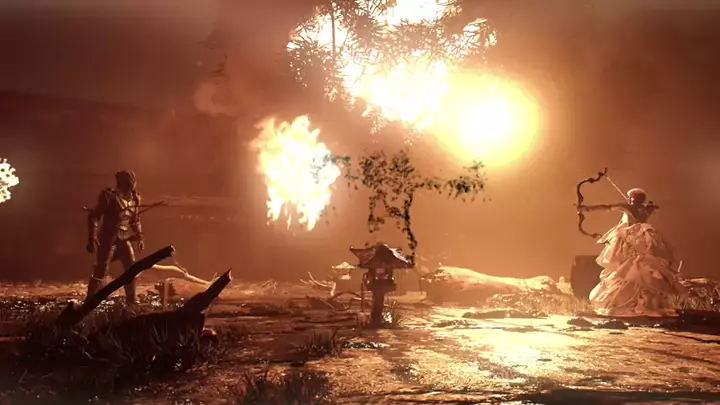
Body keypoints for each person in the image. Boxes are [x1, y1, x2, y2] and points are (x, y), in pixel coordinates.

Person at [578, 188, 685, 316]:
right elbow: (653, 207)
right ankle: (637, 301)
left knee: (631, 266)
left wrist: (585, 208)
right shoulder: (647, 209)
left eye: (631, 197)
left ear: (634, 198)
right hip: (642, 238)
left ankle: (634, 302)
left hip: (632, 238)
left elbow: (606, 206)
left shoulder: (629, 207)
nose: (629, 199)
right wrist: (651, 206)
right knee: (635, 266)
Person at [85, 170, 144, 304]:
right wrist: (92, 237)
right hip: (108, 238)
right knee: (101, 270)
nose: (131, 185)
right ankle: (89, 301)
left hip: (124, 238)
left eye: (132, 182)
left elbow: (135, 220)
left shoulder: (135, 198)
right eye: (128, 182)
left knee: (132, 269)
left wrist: (140, 236)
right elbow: (94, 217)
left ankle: (131, 300)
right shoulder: (109, 197)